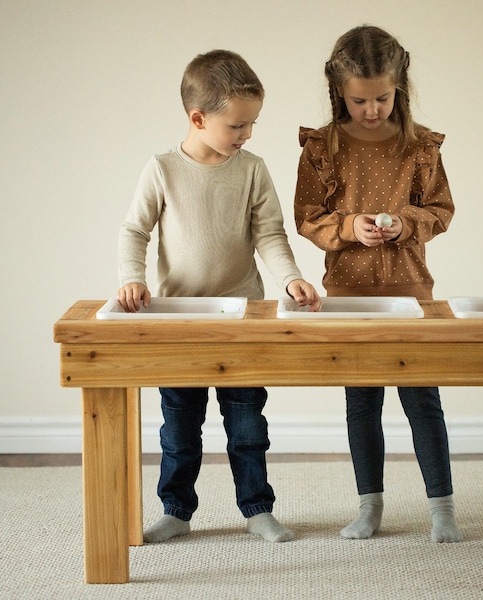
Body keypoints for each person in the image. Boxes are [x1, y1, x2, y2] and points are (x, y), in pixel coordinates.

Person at [117, 49, 321, 544]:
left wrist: (289, 278)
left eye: (252, 124)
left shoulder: (251, 169)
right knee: (179, 429)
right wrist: (131, 277)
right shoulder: (162, 168)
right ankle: (176, 510)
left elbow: (270, 234)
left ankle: (257, 509)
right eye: (237, 126)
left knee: (248, 423)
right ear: (198, 118)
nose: (247, 134)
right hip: (178, 320)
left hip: (242, 316)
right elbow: (134, 230)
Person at [294, 25, 462, 543]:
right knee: (361, 403)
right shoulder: (323, 148)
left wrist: (405, 221)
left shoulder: (420, 147)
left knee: (422, 402)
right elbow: (307, 216)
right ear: (339, 92)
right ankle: (369, 506)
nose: (371, 109)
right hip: (348, 298)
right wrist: (349, 227)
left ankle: (443, 508)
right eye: (359, 99)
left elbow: (442, 210)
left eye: (382, 98)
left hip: (412, 293)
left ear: (400, 88)